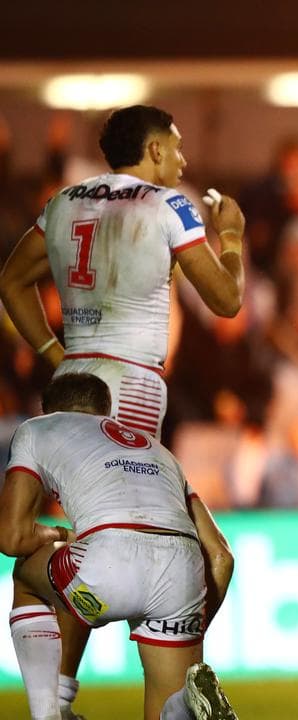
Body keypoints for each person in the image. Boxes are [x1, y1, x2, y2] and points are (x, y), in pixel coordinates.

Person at [0, 103, 245, 717]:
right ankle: (164, 687)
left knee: (87, 531)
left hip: (77, 378)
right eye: (178, 146)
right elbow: (226, 301)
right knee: (140, 525)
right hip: (132, 382)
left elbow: (10, 282)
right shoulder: (169, 205)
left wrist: (56, 353)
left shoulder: (62, 204)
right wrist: (233, 238)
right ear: (156, 150)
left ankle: (57, 696)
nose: (184, 160)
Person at [0, 373, 237, 720]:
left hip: (107, 563)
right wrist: (189, 628)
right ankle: (182, 702)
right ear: (106, 412)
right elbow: (221, 556)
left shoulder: (38, 429)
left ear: (49, 411)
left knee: (26, 571)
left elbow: (12, 537)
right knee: (165, 711)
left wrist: (57, 535)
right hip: (182, 571)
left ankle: (51, 711)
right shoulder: (159, 451)